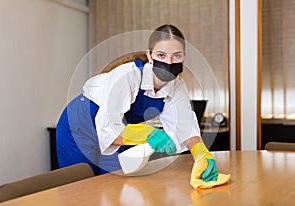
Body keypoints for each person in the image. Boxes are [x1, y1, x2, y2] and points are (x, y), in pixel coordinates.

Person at [56, 24, 219, 182]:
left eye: (176, 55)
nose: (169, 63)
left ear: (184, 56)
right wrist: (147, 134)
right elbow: (108, 130)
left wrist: (202, 155)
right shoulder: (128, 76)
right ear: (150, 56)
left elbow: (185, 128)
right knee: (81, 185)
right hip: (79, 125)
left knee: (115, 182)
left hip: (118, 131)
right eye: (161, 55)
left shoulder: (177, 87)